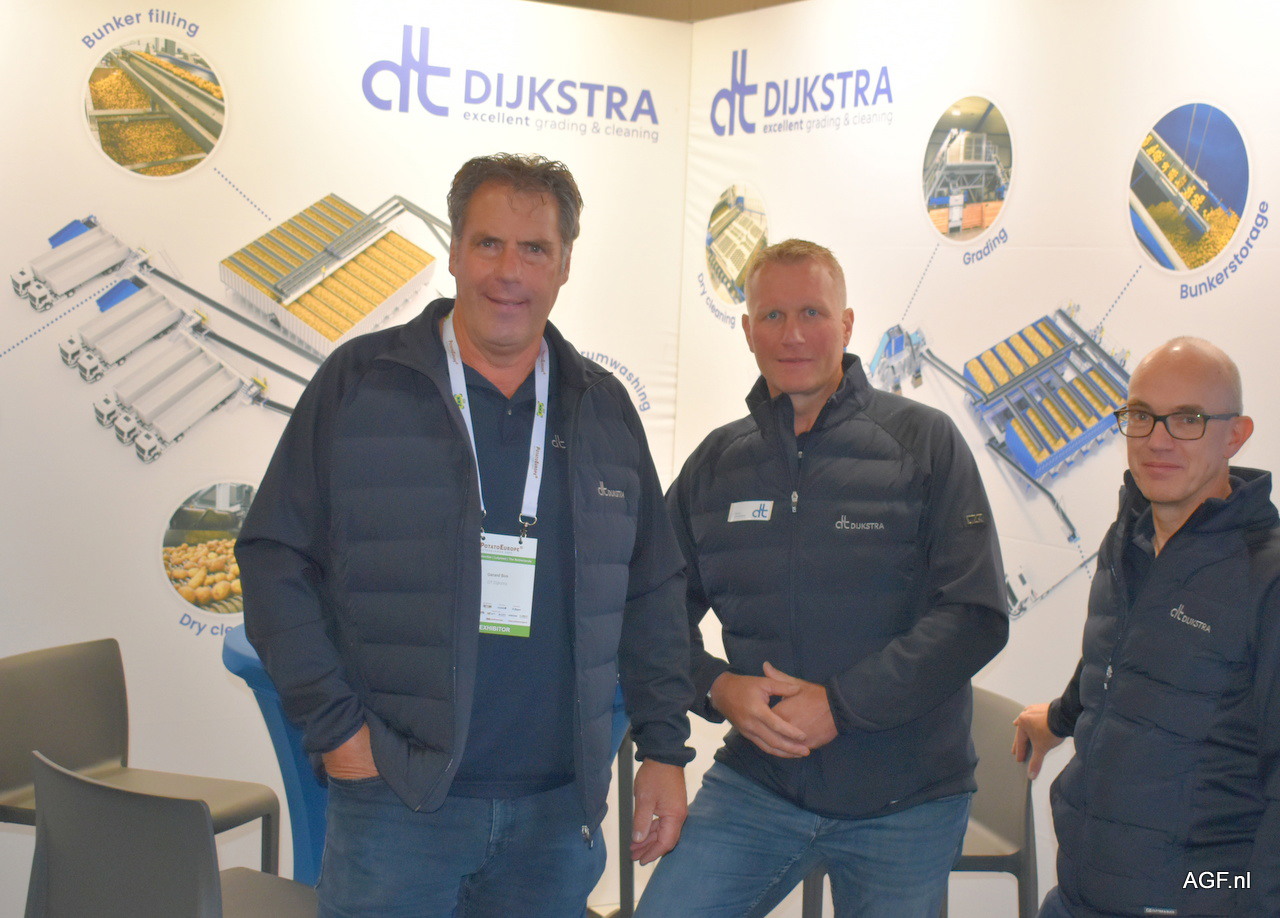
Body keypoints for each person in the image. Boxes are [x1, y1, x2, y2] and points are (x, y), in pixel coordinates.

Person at [238, 153, 694, 918]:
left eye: (534, 249)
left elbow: (652, 592)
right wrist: (337, 729)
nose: (508, 271)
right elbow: (273, 557)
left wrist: (665, 750)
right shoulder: (361, 384)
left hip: (555, 817)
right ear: (453, 252)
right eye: (488, 244)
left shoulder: (602, 408)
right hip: (398, 804)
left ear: (565, 265)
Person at [636, 239, 1009, 917]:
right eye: (772, 316)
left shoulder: (925, 443)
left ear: (847, 324)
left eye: (812, 312)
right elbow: (650, 611)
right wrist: (715, 686)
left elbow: (975, 616)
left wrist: (842, 705)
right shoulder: (717, 464)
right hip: (759, 789)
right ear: (747, 330)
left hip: (907, 800)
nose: (793, 334)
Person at [1013, 337, 1280, 917]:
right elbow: (1122, 655)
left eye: (1187, 419)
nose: (1157, 439)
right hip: (1079, 894)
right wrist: (1058, 717)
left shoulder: (1266, 578)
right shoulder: (1127, 538)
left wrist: (1229, 897)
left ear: (1235, 435)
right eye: (1141, 415)